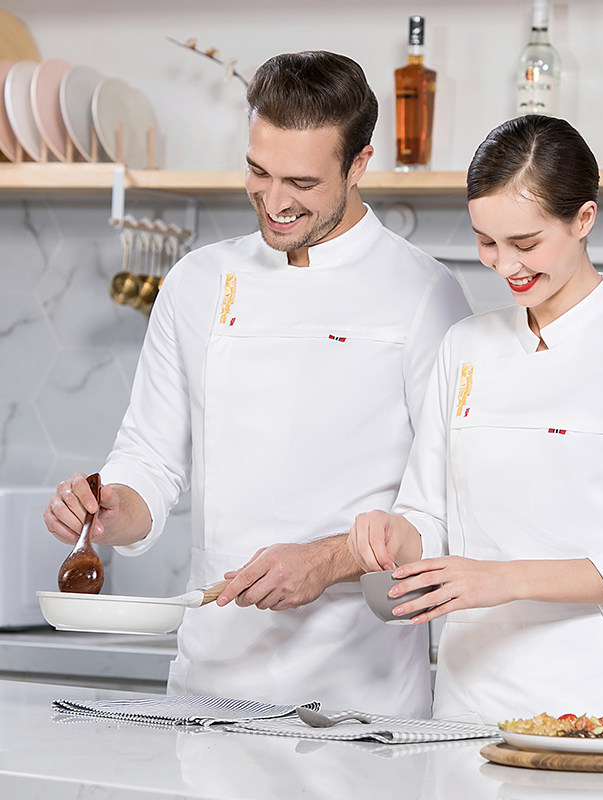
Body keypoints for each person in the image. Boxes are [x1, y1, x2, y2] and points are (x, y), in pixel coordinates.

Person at [43, 51, 471, 717]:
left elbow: (448, 506)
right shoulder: (197, 281)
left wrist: (329, 560)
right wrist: (113, 506)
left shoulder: (423, 294)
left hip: (360, 703)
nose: (274, 203)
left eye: (301, 181)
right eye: (258, 171)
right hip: (211, 690)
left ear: (359, 164)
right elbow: (151, 458)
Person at [347, 114, 603, 725]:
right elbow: (429, 517)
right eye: (486, 241)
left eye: (525, 243)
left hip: (599, 710)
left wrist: (508, 579)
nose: (504, 265)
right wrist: (393, 534)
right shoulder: (465, 347)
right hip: (467, 711)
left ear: (583, 219)